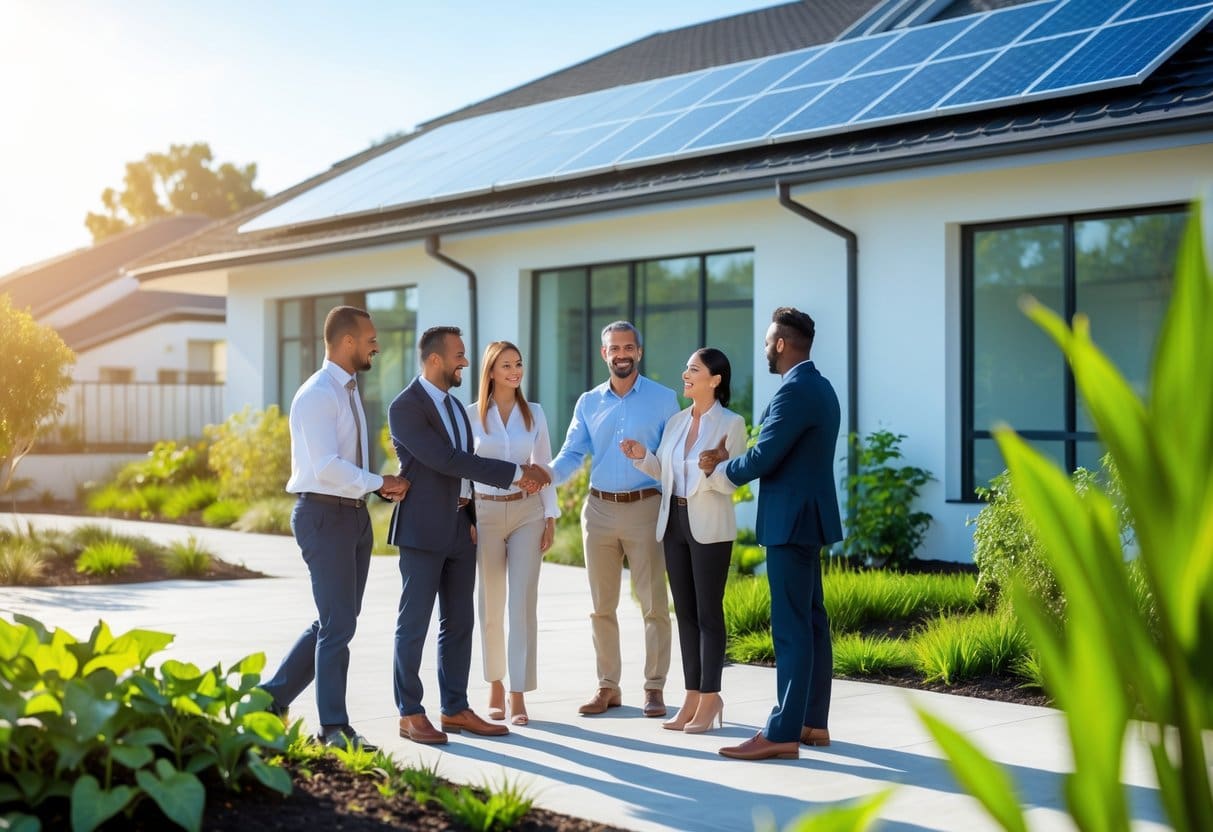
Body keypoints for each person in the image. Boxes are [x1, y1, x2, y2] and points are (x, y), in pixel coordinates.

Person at [387, 325, 550, 746]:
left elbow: (467, 470)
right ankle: (409, 711)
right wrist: (517, 473)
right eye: (458, 355)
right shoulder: (405, 407)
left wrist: (474, 515)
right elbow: (447, 460)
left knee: (459, 622)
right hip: (423, 529)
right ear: (435, 359)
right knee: (414, 624)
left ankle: (455, 708)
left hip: (463, 526)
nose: (464, 361)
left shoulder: (458, 408)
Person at [260, 305, 409, 751]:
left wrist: (372, 490)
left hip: (351, 514)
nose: (376, 346)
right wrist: (378, 482)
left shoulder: (347, 390)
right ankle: (332, 729)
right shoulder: (317, 394)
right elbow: (325, 466)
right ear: (347, 342)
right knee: (338, 624)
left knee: (335, 621)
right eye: (370, 339)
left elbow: (345, 463)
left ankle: (270, 698)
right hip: (323, 514)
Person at [701, 307, 842, 761]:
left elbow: (764, 458)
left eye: (767, 341)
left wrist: (720, 469)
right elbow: (779, 448)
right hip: (809, 520)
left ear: (781, 344)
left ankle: (782, 731)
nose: (764, 348)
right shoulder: (821, 388)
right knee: (812, 622)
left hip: (790, 524)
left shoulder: (794, 393)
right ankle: (811, 722)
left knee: (791, 628)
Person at [548, 321, 680, 717]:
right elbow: (572, 453)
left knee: (654, 603)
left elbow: (672, 460)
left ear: (638, 352)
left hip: (645, 507)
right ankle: (608, 686)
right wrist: (545, 475)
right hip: (600, 510)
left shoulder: (665, 399)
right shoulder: (589, 402)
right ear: (603, 354)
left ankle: (654, 687)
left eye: (628, 347)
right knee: (600, 606)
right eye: (613, 348)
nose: (621, 354)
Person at [619, 347, 747, 734]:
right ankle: (692, 695)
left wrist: (713, 467)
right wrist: (643, 457)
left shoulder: (731, 423)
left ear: (715, 380)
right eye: (686, 367)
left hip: (709, 527)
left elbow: (731, 480)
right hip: (673, 521)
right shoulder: (676, 422)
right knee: (686, 615)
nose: (685, 374)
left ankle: (711, 698)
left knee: (709, 614)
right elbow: (665, 472)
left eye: (693, 369)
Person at [468, 340, 560, 726]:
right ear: (490, 371)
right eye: (506, 365)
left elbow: (543, 464)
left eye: (518, 364)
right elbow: (462, 468)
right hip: (485, 513)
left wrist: (550, 515)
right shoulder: (471, 415)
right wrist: (467, 515)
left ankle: (518, 693)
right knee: (490, 604)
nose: (515, 371)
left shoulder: (534, 413)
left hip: (527, 512)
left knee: (522, 604)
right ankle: (494, 685)